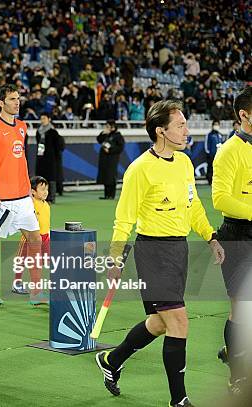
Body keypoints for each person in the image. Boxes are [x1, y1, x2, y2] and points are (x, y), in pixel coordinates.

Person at [95, 100, 225, 407]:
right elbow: (123, 218)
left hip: (178, 250)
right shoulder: (139, 169)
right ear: (160, 132)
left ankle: (112, 360)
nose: (186, 129)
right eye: (180, 125)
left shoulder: (184, 163)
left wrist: (210, 236)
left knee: (159, 322)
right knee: (178, 321)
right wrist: (114, 257)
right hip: (152, 252)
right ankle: (178, 400)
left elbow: (193, 206)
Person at [0, 84, 42, 306]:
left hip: (23, 198)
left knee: (35, 239)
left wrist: (29, 191)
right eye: (12, 99)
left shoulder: (22, 127)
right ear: (0, 103)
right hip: (0, 200)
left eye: (18, 98)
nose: (17, 102)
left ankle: (36, 292)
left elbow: (19, 160)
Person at [212, 86, 252, 395]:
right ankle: (237, 374)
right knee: (240, 308)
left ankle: (234, 353)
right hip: (238, 236)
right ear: (244, 115)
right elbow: (220, 199)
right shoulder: (229, 151)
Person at [13, 176, 51, 304]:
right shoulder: (30, 204)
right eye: (42, 189)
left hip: (45, 237)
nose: (45, 192)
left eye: (47, 189)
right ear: (33, 191)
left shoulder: (46, 205)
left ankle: (42, 287)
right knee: (22, 260)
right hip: (29, 238)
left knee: (47, 260)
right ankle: (17, 282)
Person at [35, 113, 62, 203]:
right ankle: (42, 197)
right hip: (41, 158)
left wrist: (56, 158)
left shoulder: (53, 131)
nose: (42, 120)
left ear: (49, 119)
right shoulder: (38, 131)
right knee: (41, 178)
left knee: (51, 179)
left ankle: (51, 197)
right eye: (41, 118)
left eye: (44, 118)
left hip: (51, 159)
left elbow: (58, 146)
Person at [96, 120, 125, 200]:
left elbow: (120, 147)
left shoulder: (118, 136)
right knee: (105, 175)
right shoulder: (106, 134)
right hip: (104, 158)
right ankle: (106, 195)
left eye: (108, 126)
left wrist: (111, 150)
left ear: (113, 127)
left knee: (111, 176)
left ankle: (111, 195)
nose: (107, 128)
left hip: (112, 158)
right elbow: (99, 140)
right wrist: (103, 133)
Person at [204, 119, 225, 185]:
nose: (216, 126)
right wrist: (209, 153)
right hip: (211, 155)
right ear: (212, 125)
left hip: (219, 155)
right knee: (210, 168)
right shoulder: (209, 135)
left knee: (219, 168)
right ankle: (210, 181)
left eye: (217, 124)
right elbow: (206, 145)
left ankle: (217, 181)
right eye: (215, 124)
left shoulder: (220, 135)